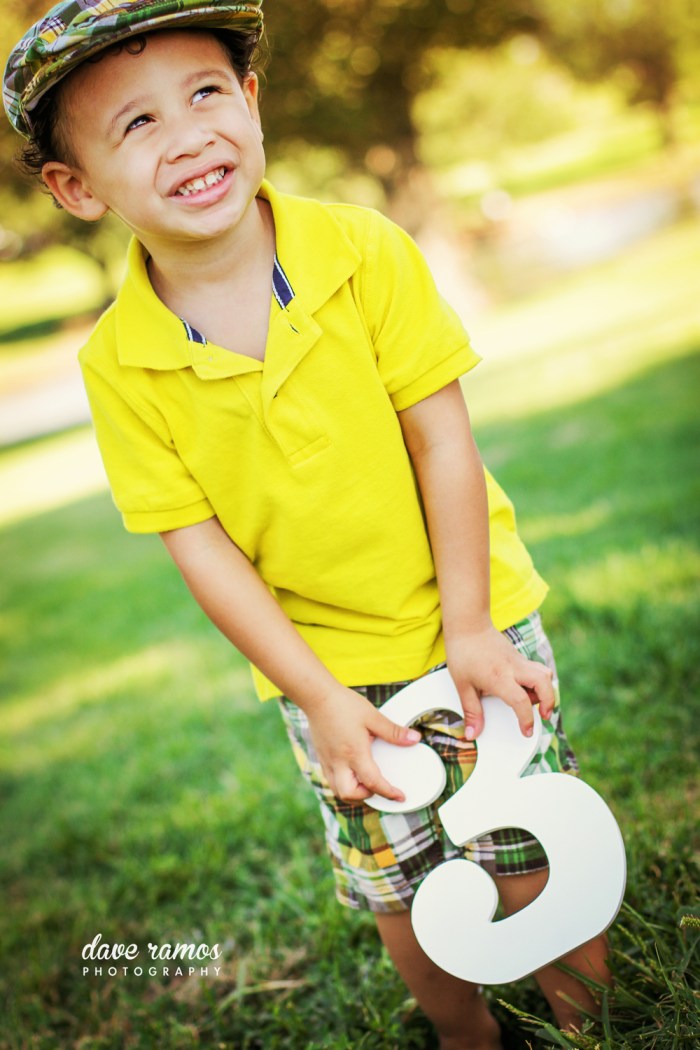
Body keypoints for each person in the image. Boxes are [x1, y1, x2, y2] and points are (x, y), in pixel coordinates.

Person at [3, 3, 613, 1047]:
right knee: (400, 879)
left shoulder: (360, 251)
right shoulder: (119, 364)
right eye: (136, 125)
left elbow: (442, 445)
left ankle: (587, 1016)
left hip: (474, 619)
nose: (188, 133)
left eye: (205, 93)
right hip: (326, 670)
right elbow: (204, 552)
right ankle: (468, 1037)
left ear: (250, 100)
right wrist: (321, 698)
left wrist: (468, 627)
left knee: (531, 845)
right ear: (75, 186)